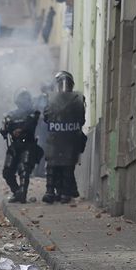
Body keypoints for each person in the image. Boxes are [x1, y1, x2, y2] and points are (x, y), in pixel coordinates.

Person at [42, 71, 86, 204]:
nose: (64, 86)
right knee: (52, 166)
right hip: (58, 137)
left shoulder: (78, 99)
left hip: (67, 137)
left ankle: (64, 192)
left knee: (66, 166)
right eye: (61, 84)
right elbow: (47, 117)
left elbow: (81, 120)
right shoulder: (51, 99)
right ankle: (52, 192)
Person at [0, 90, 43, 203]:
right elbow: (4, 131)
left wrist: (21, 130)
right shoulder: (12, 115)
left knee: (24, 169)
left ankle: (23, 193)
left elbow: (30, 125)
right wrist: (5, 127)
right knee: (7, 172)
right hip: (15, 145)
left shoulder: (33, 113)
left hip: (28, 144)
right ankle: (17, 192)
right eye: (21, 100)